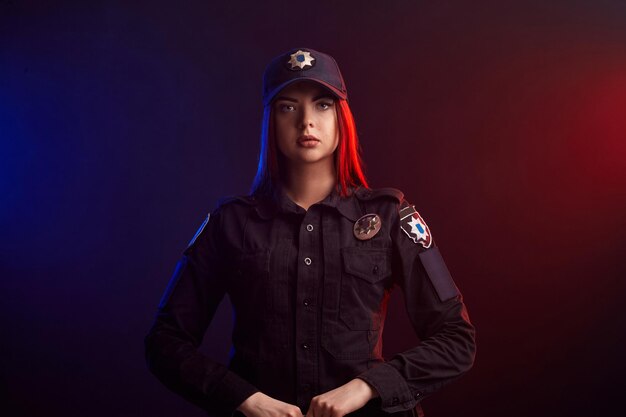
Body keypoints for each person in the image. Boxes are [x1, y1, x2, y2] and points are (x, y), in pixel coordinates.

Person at [144, 47, 476, 417]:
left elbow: (456, 339)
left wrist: (367, 386)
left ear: (341, 117)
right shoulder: (230, 223)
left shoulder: (391, 216)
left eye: (322, 105)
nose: (306, 122)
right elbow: (165, 342)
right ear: (271, 121)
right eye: (288, 106)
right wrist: (243, 398)